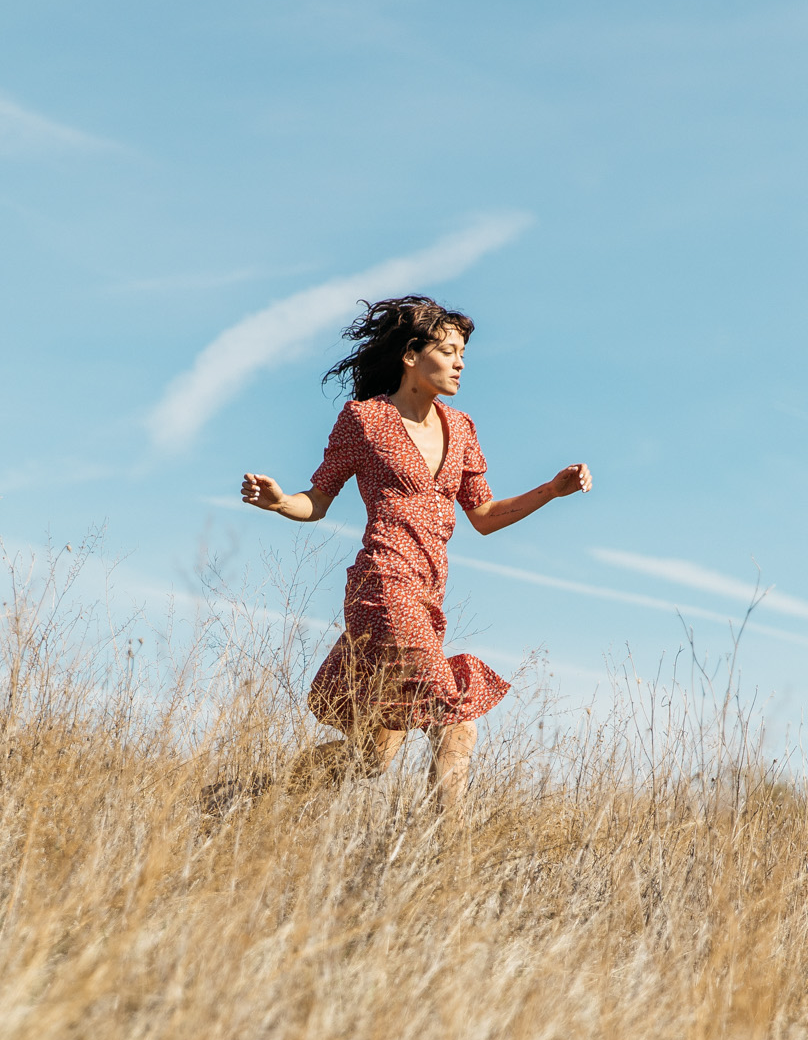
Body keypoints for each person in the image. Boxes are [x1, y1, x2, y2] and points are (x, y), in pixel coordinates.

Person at [241, 295, 591, 809]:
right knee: (457, 719)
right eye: (448, 350)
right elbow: (317, 500)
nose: (460, 363)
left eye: (463, 354)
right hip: (382, 584)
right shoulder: (364, 420)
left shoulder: (462, 428)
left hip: (428, 597)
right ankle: (446, 856)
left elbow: (486, 515)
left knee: (372, 758)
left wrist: (550, 491)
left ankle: (239, 798)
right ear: (411, 354)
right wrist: (279, 502)